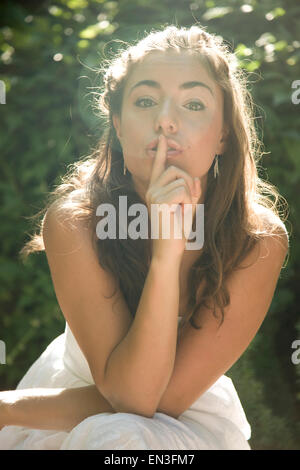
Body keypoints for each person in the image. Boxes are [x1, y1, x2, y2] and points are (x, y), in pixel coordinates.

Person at [0, 24, 289, 450]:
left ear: (224, 132)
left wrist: (9, 408)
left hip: (186, 419)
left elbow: (148, 401)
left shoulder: (258, 240)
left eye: (193, 103)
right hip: (69, 414)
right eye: (146, 101)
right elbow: (129, 396)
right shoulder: (76, 222)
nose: (165, 120)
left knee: (119, 437)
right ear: (117, 125)